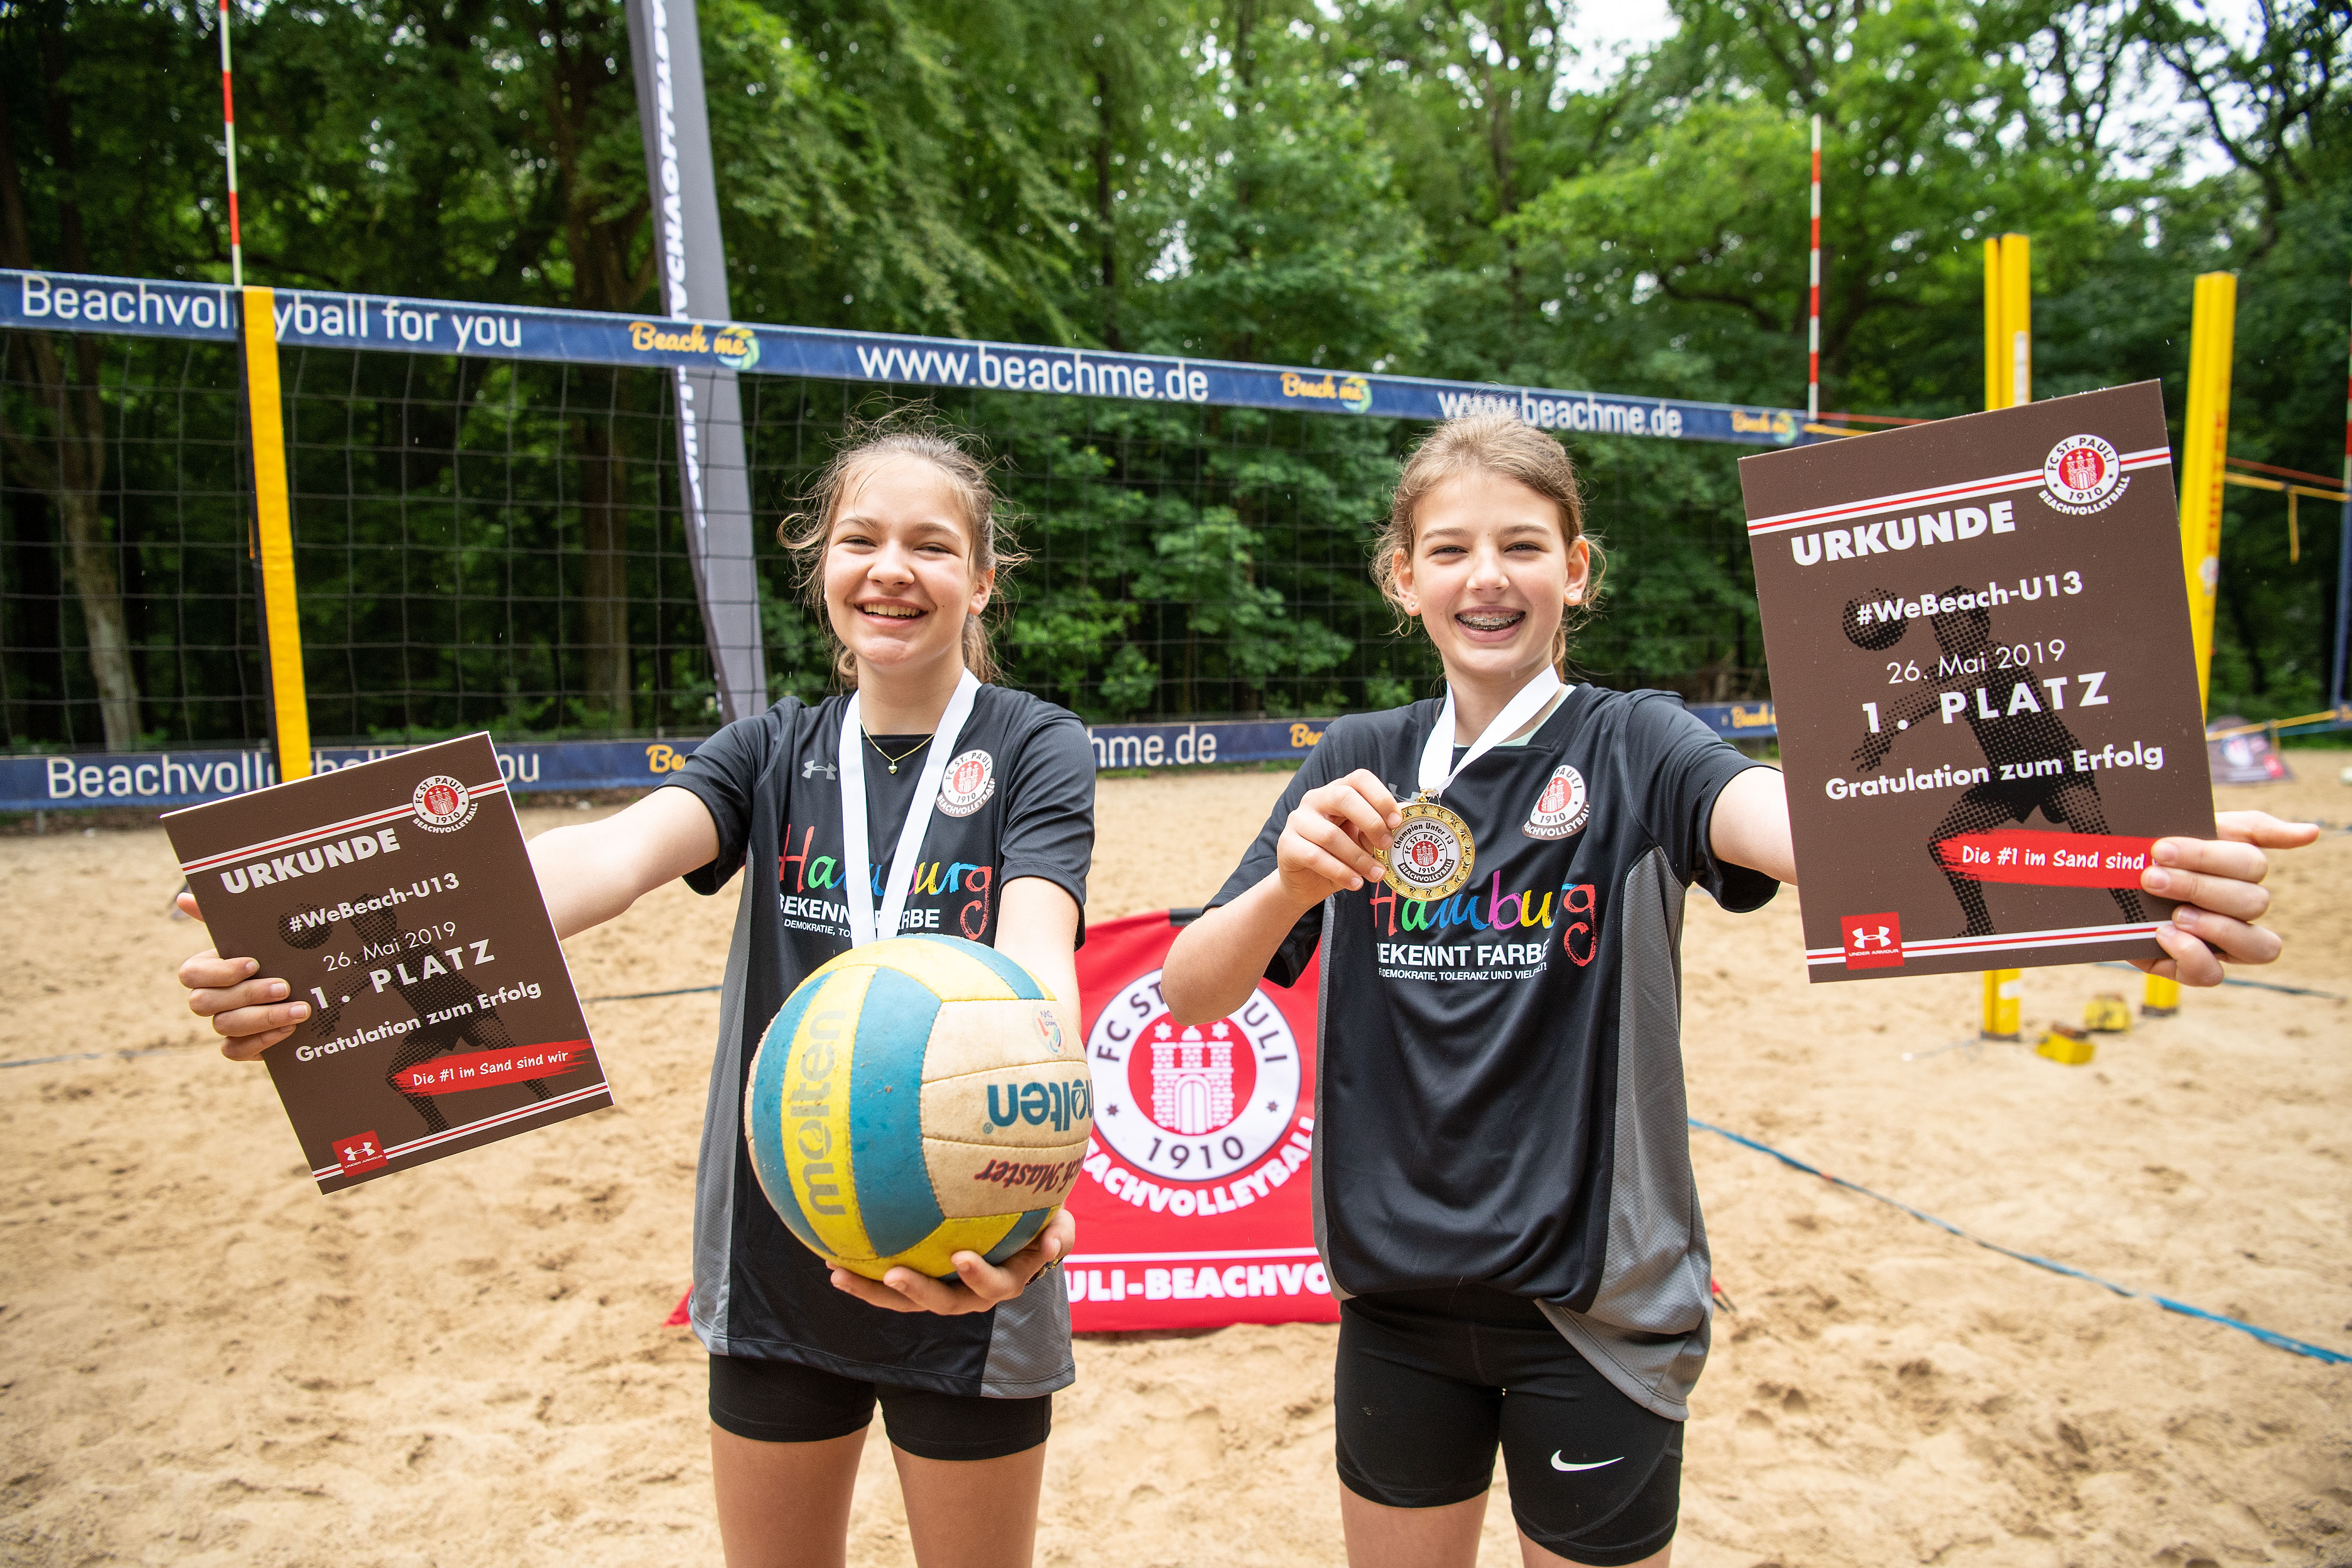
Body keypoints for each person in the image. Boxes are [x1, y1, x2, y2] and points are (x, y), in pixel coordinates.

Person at [1158, 412, 2312, 1568]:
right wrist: (1286, 889)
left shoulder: (1636, 744)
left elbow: (1821, 832)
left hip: (1595, 1312)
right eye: (1451, 550)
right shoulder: (1352, 767)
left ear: (1578, 569)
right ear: (1404, 579)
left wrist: (2104, 886)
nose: (1488, 577)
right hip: (1395, 1305)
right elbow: (1192, 994)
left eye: (1522, 544)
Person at [175, 416, 1096, 1568]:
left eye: (932, 545)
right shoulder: (773, 748)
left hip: (970, 1243)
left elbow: (1036, 965)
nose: (893, 569)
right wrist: (330, 944)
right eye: (861, 539)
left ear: (982, 580)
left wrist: (1037, 1182)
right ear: (819, 565)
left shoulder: (1035, 747)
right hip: (781, 1245)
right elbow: (599, 862)